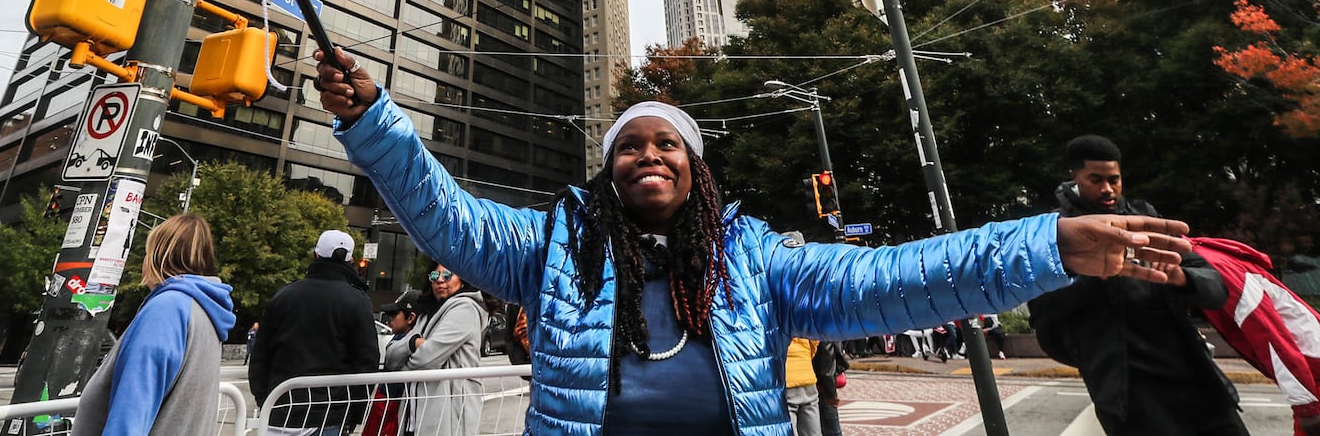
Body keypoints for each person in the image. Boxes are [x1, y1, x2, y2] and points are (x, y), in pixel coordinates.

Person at [314, 49, 1195, 436]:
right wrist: (376, 122)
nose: (648, 154)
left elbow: (906, 274)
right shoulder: (554, 243)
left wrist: (1050, 244)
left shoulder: (755, 258)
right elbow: (444, 212)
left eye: (668, 144)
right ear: (609, 168)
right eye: (630, 143)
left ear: (696, 172)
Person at [1029, 134, 1246, 436]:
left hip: (1196, 379)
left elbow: (1216, 289)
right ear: (1074, 176)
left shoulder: (1145, 219)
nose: (1108, 189)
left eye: (1114, 179)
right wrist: (1097, 278)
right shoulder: (1055, 234)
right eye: (1096, 179)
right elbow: (1043, 318)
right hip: (1129, 395)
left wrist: (1181, 278)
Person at [71, 213, 235, 436]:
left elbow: (132, 410)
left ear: (159, 257)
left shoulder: (166, 309)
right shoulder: (204, 311)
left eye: (147, 254)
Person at [1192, 237, 1320, 436]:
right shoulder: (1205, 259)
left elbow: (1270, 337)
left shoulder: (1214, 269)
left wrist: (1306, 408)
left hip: (1317, 369)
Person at [249, 229, 380, 436]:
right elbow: (366, 363)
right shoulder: (357, 301)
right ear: (350, 259)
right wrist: (354, 414)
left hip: (279, 408)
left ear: (316, 254)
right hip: (328, 413)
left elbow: (260, 355)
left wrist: (264, 399)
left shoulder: (284, 296)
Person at [404, 264, 488, 436]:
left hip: (450, 413)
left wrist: (405, 362)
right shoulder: (426, 314)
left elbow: (425, 359)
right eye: (434, 276)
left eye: (448, 275)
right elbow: (391, 354)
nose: (440, 280)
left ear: (462, 281)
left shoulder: (465, 309)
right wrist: (414, 343)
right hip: (414, 414)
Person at [362, 291, 421, 436]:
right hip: (389, 402)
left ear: (411, 318)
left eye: (394, 314)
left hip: (394, 404)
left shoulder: (410, 338)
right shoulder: (402, 338)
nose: (389, 319)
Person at [784, 336, 820, 436]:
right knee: (813, 431)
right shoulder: (802, 320)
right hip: (807, 374)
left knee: (788, 430)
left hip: (786, 377)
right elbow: (815, 340)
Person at [812, 341, 847, 436]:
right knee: (832, 429)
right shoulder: (825, 331)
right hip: (822, 385)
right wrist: (831, 394)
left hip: (812, 381)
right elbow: (826, 361)